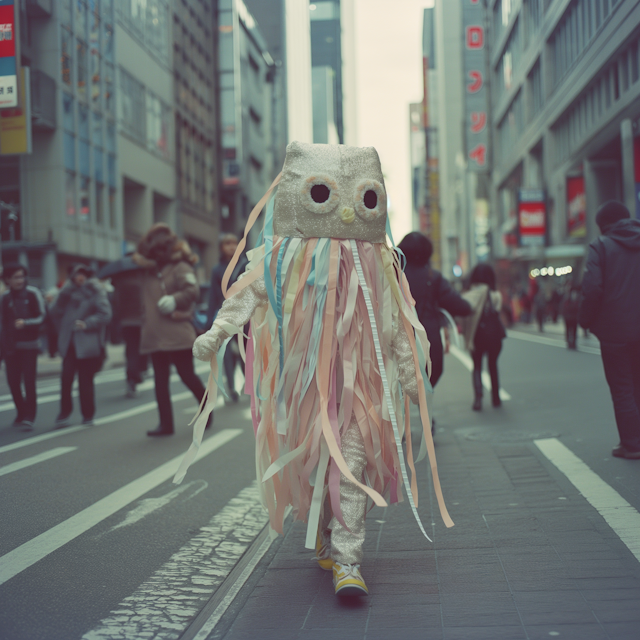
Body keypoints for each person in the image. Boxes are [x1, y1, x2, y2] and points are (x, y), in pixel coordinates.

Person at [180, 142, 453, 597]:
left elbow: (396, 325)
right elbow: (250, 293)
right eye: (323, 195)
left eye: (366, 200)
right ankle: (329, 534)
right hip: (306, 391)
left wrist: (409, 374)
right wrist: (218, 331)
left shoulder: (381, 265)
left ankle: (349, 562)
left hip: (362, 393)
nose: (348, 215)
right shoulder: (285, 259)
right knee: (319, 468)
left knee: (352, 466)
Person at [134, 224, 209, 437]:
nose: (157, 253)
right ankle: (165, 424)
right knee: (160, 380)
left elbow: (192, 291)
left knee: (187, 376)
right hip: (154, 334)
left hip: (177, 332)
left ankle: (206, 410)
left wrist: (174, 300)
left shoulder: (180, 266)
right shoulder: (147, 270)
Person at [578, 201, 640, 460]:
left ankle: (632, 444)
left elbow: (592, 288)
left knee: (623, 387)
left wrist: (585, 321)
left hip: (615, 331)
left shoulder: (601, 246)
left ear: (603, 225)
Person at [397, 232, 471, 389]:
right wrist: (469, 307)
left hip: (398, 334)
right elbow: (457, 305)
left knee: (397, 375)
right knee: (431, 371)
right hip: (428, 337)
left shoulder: (393, 275)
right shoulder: (433, 277)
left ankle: (402, 410)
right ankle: (425, 408)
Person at [50, 265, 112, 427]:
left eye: (83, 274)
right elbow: (54, 312)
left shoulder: (95, 291)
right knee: (66, 379)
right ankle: (64, 413)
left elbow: (105, 314)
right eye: (76, 274)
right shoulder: (67, 293)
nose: (80, 277)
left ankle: (88, 415)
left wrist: (87, 323)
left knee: (85, 381)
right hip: (69, 343)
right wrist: (65, 291)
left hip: (87, 344)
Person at [0, 264, 46, 429]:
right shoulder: (5, 298)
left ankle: (30, 415)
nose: (20, 280)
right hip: (11, 346)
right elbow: (3, 323)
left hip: (29, 345)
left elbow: (42, 317)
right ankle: (21, 411)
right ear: (7, 279)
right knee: (12, 382)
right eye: (16, 277)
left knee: (29, 381)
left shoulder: (33, 293)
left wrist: (26, 323)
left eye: (22, 276)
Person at [207, 234, 248, 402]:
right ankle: (231, 388)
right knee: (226, 355)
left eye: (234, 243)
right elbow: (213, 297)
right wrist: (211, 321)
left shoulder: (247, 265)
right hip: (226, 316)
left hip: (246, 316)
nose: (231, 246)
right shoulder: (217, 269)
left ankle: (249, 383)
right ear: (221, 248)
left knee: (246, 351)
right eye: (227, 243)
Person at [460, 263, 505, 411]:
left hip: (477, 335)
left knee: (477, 366)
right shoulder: (495, 295)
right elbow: (497, 311)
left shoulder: (468, 295)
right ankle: (496, 398)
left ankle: (478, 399)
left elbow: (464, 316)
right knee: (493, 365)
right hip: (494, 336)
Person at [111, 267, 148, 398]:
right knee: (140, 350)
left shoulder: (120, 285)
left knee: (130, 351)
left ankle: (131, 378)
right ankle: (137, 373)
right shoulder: (141, 283)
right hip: (140, 322)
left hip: (126, 323)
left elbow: (116, 305)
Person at [562, 283, 580, 350]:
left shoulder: (576, 298)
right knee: (569, 330)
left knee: (574, 331)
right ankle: (569, 342)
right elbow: (564, 307)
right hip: (568, 317)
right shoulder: (567, 297)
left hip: (573, 317)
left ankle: (573, 343)